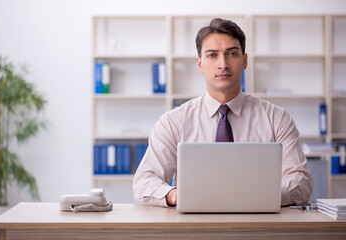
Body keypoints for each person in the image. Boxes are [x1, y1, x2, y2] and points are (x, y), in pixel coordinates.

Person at [133, 18, 313, 207]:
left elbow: (301, 183)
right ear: (200, 64)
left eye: (232, 53)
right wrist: (174, 195)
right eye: (212, 55)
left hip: (259, 227)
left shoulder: (276, 118)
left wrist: (260, 195)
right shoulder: (173, 122)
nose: (223, 64)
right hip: (193, 228)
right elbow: (144, 182)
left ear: (244, 61)